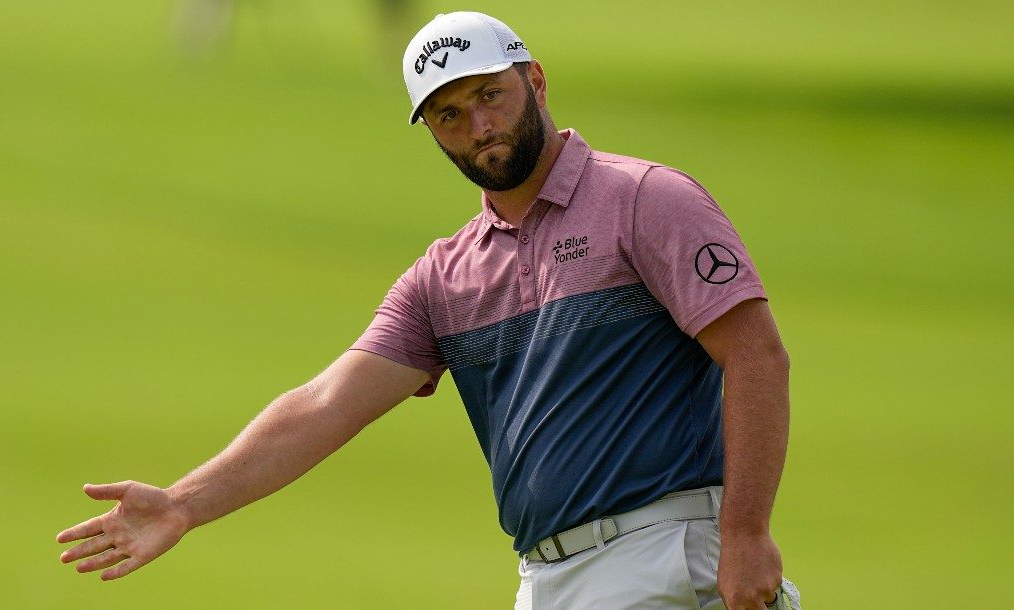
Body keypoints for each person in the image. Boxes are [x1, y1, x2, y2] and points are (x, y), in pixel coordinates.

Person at [57, 11, 800, 610]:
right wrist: (184, 504)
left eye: (488, 96)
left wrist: (746, 532)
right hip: (547, 581)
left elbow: (757, 356)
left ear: (535, 80)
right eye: (447, 114)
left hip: (669, 560)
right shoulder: (445, 277)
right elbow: (324, 405)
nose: (477, 126)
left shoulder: (645, 200)